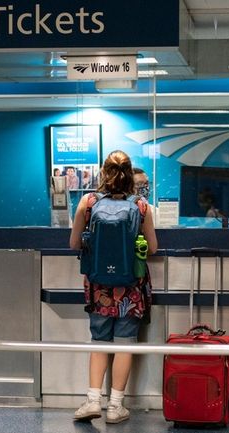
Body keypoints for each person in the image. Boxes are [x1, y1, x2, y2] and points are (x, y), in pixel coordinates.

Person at [69, 150, 158, 424]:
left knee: (99, 341)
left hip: (99, 288)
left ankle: (93, 400)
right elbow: (152, 247)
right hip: (130, 286)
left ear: (103, 172)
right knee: (124, 343)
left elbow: (74, 244)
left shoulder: (88, 201)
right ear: (131, 173)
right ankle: (115, 406)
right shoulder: (142, 206)